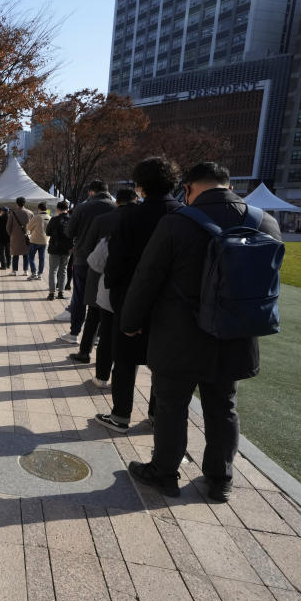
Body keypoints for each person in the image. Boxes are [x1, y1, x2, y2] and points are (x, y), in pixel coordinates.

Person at [121, 162, 281, 501]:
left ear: (190, 188)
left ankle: (164, 472)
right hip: (236, 332)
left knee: (171, 404)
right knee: (223, 406)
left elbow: (146, 279)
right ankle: (220, 479)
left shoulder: (177, 223)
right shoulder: (264, 221)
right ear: (229, 185)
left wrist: (131, 323)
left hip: (181, 335)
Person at [96, 157, 183, 433]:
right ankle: (157, 414)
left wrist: (112, 286)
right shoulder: (184, 214)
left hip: (130, 297)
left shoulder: (131, 215)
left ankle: (121, 415)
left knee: (125, 359)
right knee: (163, 362)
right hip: (172, 303)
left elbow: (115, 260)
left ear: (141, 186)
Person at [68, 188, 138, 368]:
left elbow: (88, 247)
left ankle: (85, 352)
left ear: (118, 201)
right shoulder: (143, 219)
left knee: (95, 315)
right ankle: (118, 361)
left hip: (100, 274)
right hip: (133, 279)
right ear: (136, 198)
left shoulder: (102, 219)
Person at [60, 179, 115, 344]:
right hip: (109, 259)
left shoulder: (83, 208)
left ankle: (74, 333)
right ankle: (98, 335)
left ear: (92, 192)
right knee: (102, 298)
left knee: (80, 297)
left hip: (83, 259)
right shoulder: (116, 208)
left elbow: (69, 232)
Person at [45, 200, 72, 301]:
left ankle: (52, 293)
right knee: (63, 270)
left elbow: (47, 232)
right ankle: (61, 292)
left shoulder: (54, 219)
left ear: (58, 209)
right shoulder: (71, 219)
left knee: (53, 271)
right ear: (67, 209)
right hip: (67, 249)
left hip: (54, 248)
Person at [5, 197, 33, 275]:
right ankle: (25, 271)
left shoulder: (12, 214)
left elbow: (8, 227)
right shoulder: (30, 213)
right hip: (26, 237)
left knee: (15, 254)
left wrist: (11, 234)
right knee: (26, 254)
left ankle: (14, 271)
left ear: (17, 204)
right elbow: (33, 226)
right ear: (24, 203)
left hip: (15, 237)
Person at [25, 202, 49, 280]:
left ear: (39, 209)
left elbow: (28, 227)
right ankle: (40, 274)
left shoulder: (36, 217)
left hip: (35, 240)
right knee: (42, 258)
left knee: (31, 257)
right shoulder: (50, 217)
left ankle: (34, 273)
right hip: (45, 241)